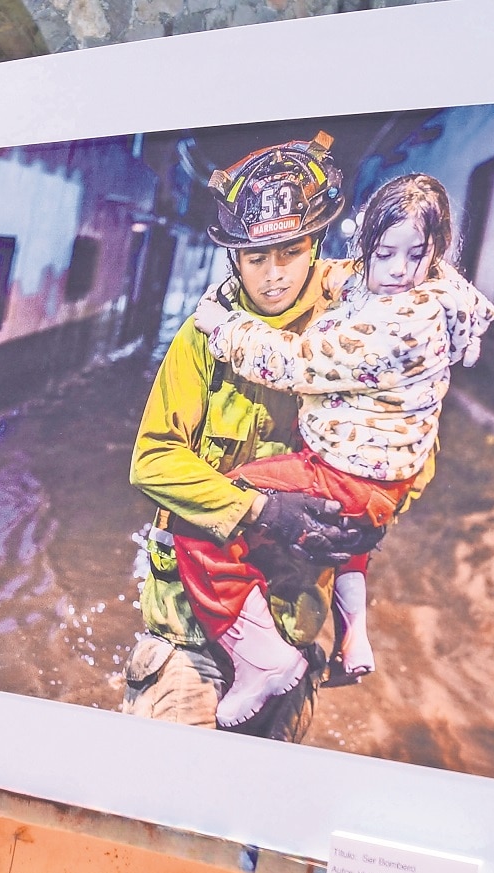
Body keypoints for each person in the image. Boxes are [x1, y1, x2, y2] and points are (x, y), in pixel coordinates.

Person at [178, 173, 494, 716]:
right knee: (349, 540)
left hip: (346, 473)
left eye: (414, 254)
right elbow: (361, 281)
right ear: (365, 247)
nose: (397, 270)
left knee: (210, 517)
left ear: (434, 251)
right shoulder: (433, 289)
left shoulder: (398, 326)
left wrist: (224, 327)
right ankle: (354, 636)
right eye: (385, 253)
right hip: (382, 479)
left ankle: (260, 661)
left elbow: (299, 363)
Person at [124, 133, 384, 734]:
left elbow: (406, 447)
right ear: (233, 259)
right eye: (255, 258)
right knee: (148, 800)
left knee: (252, 817)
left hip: (293, 631)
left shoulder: (351, 341)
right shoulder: (202, 339)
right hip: (189, 628)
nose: (272, 275)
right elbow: (153, 461)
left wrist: (373, 517)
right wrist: (261, 511)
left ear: (315, 247)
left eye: (289, 253)